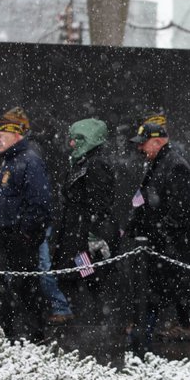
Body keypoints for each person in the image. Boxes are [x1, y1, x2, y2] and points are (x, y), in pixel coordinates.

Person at [125, 114, 190, 357]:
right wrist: (135, 227)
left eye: (143, 143)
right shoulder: (156, 164)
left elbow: (180, 212)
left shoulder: (175, 166)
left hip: (178, 247)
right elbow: (144, 202)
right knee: (154, 292)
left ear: (158, 141)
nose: (140, 148)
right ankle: (142, 339)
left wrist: (156, 231)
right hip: (162, 245)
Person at [0, 107, 52, 341]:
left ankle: (34, 335)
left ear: (16, 136)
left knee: (26, 288)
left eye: (0, 136)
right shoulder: (10, 161)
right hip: (6, 235)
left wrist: (25, 234)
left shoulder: (29, 162)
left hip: (20, 238)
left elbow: (40, 202)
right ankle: (6, 331)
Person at [52, 117, 117, 323]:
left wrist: (94, 235)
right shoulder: (82, 163)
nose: (71, 144)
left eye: (77, 139)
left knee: (87, 280)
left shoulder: (95, 165)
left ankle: (91, 327)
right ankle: (88, 323)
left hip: (83, 240)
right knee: (77, 279)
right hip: (76, 234)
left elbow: (100, 204)